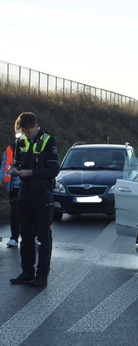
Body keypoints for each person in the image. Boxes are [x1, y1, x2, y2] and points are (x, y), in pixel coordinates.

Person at [9, 112, 60, 287]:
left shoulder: (48, 140)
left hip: (42, 193)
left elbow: (53, 170)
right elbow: (16, 162)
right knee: (26, 235)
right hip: (25, 192)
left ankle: (42, 275)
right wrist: (14, 169)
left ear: (36, 126)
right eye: (23, 131)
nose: (26, 134)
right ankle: (27, 272)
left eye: (28, 131)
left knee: (43, 236)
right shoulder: (20, 140)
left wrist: (31, 172)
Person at [1, 133, 21, 247]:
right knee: (14, 212)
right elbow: (4, 165)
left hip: (27, 186)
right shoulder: (10, 149)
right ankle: (14, 237)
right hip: (13, 186)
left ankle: (34, 235)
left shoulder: (32, 148)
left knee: (29, 212)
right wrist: (1, 178)